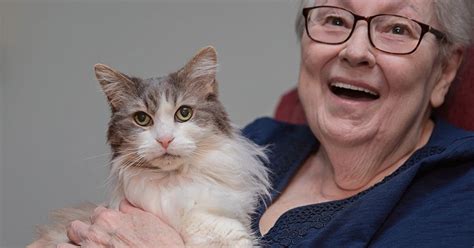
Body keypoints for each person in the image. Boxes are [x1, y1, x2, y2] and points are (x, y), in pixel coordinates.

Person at [59, 0, 474, 247]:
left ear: (444, 71)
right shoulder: (261, 137)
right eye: (334, 20)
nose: (355, 50)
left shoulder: (460, 195)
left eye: (397, 28)